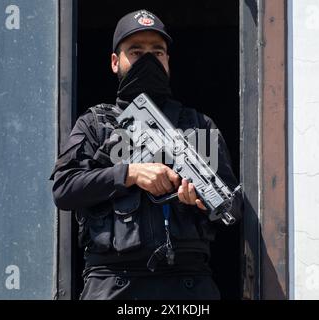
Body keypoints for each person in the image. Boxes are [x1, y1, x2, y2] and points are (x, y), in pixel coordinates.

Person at [50, 9, 242, 300]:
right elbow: (64, 189)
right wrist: (130, 174)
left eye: (158, 52)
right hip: (113, 282)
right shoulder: (95, 125)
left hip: (188, 283)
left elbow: (232, 205)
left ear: (168, 61)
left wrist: (202, 202)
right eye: (137, 52)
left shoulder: (198, 127)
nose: (149, 60)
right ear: (115, 62)